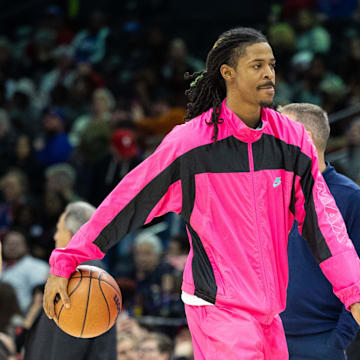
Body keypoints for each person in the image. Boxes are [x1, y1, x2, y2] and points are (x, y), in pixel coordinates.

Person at [43, 27, 360, 360]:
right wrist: (65, 261)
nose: (269, 74)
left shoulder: (292, 141)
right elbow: (125, 203)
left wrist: (354, 292)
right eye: (256, 65)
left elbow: (326, 227)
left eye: (272, 64)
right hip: (217, 309)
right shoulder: (190, 145)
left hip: (269, 316)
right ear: (228, 73)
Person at [278, 103, 360, 359]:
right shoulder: (270, 193)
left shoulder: (350, 197)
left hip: (321, 339)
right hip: (269, 335)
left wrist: (339, 339)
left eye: (278, 134)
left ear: (305, 139)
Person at [23, 201, 116, 360]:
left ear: (73, 234)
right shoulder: (83, 273)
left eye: (59, 230)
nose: (55, 236)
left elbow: (68, 344)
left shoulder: (83, 277)